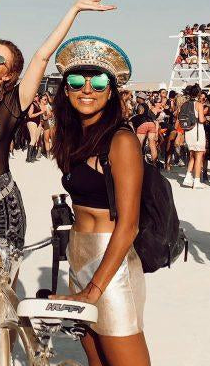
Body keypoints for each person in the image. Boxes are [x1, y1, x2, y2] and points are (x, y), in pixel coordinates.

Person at [0, 0, 113, 302]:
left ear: (9, 74)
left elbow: (42, 56)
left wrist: (74, 10)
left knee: (0, 305)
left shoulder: (12, 103)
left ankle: (4, 349)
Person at [47, 36, 150, 366]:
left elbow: (129, 225)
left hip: (112, 261)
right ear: (66, 90)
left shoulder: (121, 141)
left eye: (98, 80)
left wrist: (94, 288)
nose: (86, 89)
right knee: (97, 361)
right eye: (76, 81)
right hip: (79, 253)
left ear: (111, 90)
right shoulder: (74, 137)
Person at [180, 84, 208, 189]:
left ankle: (187, 177)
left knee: (192, 155)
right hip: (197, 132)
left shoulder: (184, 104)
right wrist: (206, 118)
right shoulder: (199, 105)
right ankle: (196, 181)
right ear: (198, 94)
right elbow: (201, 120)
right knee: (199, 157)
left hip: (188, 132)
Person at [25, 98, 44, 162]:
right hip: (31, 122)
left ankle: (33, 156)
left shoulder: (37, 104)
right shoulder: (31, 105)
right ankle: (28, 158)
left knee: (36, 139)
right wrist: (40, 112)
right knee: (33, 139)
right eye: (35, 96)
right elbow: (30, 115)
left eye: (38, 96)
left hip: (37, 122)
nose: (37, 97)